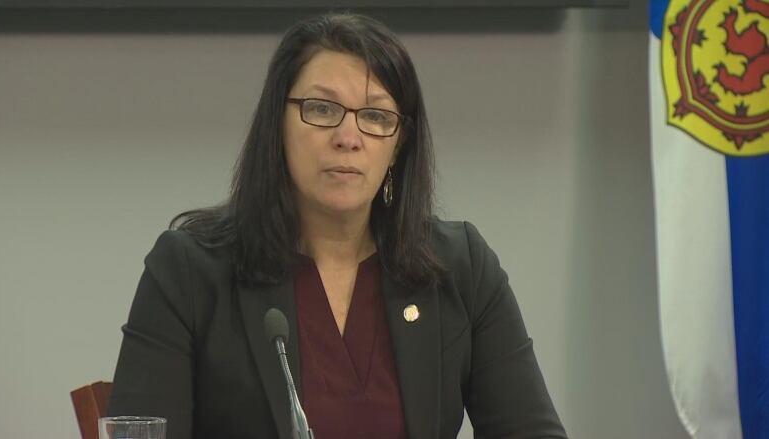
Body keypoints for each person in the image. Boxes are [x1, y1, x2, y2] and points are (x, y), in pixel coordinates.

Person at [107, 12, 567, 439]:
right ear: (278, 125)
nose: (349, 138)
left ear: (399, 143)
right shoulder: (189, 270)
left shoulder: (460, 267)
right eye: (322, 109)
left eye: (375, 117)